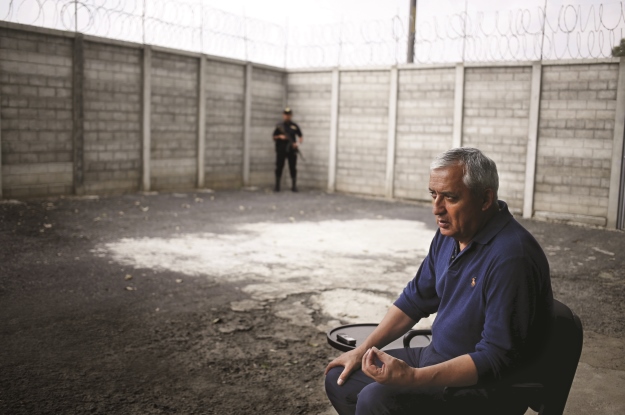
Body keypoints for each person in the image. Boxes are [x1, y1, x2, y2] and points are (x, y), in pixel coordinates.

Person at [324, 147, 554, 415]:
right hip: (435, 356)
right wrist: (363, 349)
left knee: (376, 399)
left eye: (450, 198)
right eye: (433, 195)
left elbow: (496, 358)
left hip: (485, 387)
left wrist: (411, 378)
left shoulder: (513, 256)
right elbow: (414, 299)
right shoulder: (450, 235)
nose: (437, 209)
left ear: (485, 199)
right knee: (341, 378)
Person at [272, 107, 303, 192]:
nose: (287, 116)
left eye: (288, 115)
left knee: (292, 167)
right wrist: (280, 136)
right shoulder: (279, 126)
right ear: (283, 115)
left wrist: (297, 144)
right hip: (281, 150)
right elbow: (274, 137)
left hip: (291, 150)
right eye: (285, 114)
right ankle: (277, 186)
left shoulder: (294, 126)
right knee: (279, 167)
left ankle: (294, 186)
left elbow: (300, 136)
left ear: (291, 115)